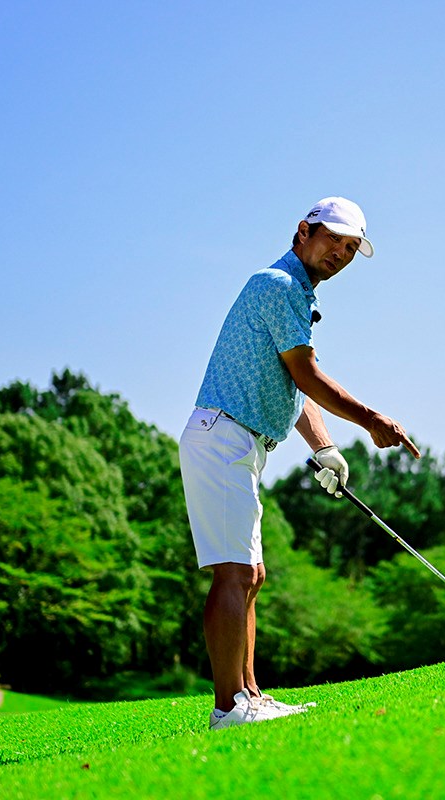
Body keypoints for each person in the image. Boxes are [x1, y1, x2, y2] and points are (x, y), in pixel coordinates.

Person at [179, 196, 420, 731]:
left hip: (241, 441)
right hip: (224, 436)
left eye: (351, 248)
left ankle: (249, 695)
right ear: (303, 232)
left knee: (252, 576)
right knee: (234, 573)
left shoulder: (293, 291)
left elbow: (295, 385)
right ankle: (228, 708)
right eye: (333, 239)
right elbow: (308, 375)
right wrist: (372, 419)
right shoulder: (281, 285)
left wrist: (324, 447)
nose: (341, 252)